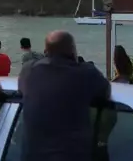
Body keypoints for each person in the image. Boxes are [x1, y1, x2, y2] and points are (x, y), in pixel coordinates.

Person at [18, 30, 111, 161]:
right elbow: (105, 92)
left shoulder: (28, 70)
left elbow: (23, 91)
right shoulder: (86, 74)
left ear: (45, 52)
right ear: (73, 50)